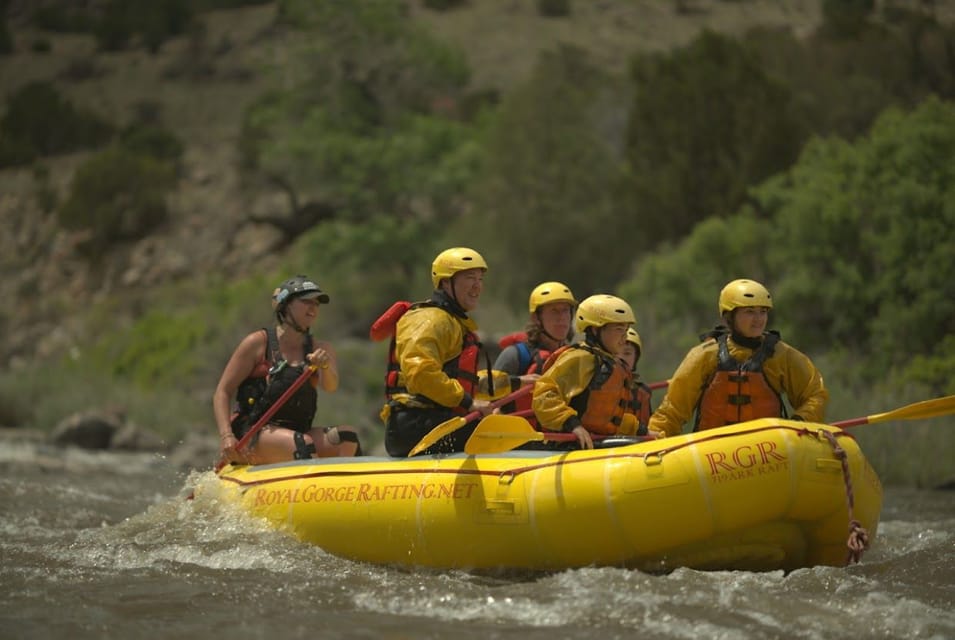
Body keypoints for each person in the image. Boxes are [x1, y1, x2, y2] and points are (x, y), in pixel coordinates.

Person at [647, 278, 829, 438]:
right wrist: (656, 436)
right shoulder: (704, 355)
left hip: (768, 454)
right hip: (714, 455)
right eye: (749, 312)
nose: (758, 319)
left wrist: (797, 424)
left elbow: (814, 395)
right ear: (730, 316)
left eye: (763, 312)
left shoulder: (782, 355)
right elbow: (672, 410)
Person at [379, 247, 516, 457]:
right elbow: (421, 374)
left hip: (437, 422)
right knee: (499, 432)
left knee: (505, 425)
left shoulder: (453, 322)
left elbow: (467, 382)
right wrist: (469, 403)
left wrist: (519, 382)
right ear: (445, 282)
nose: (477, 286)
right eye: (469, 278)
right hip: (416, 427)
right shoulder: (430, 319)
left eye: (480, 279)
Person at [213, 276, 362, 465]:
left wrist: (324, 366)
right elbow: (222, 392)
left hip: (298, 431)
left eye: (316, 304)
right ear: (285, 306)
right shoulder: (257, 343)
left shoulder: (321, 348)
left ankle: (347, 489)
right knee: (302, 444)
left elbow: (330, 387)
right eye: (306, 302)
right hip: (253, 433)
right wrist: (226, 436)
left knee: (347, 438)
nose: (313, 308)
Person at [532, 294, 640, 449]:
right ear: (596, 330)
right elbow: (543, 396)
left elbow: (604, 416)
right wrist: (573, 425)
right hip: (568, 446)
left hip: (596, 444)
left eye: (626, 330)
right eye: (618, 330)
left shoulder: (609, 362)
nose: (624, 337)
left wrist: (641, 430)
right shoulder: (581, 358)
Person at [493, 281, 577, 423]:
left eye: (565, 310)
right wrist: (519, 382)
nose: (561, 317)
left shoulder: (574, 356)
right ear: (536, 318)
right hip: (519, 436)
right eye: (554, 311)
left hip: (562, 436)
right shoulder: (516, 355)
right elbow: (484, 388)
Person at [617, 327, 653, 436]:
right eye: (616, 353)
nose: (621, 358)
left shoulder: (643, 392)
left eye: (627, 353)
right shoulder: (599, 387)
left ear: (635, 359)